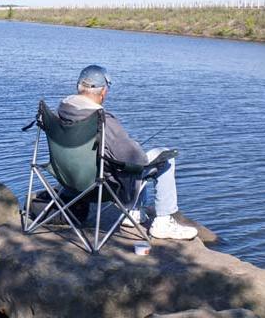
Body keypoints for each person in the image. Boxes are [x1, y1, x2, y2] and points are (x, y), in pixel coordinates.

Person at [57, 65, 198, 240]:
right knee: (165, 156)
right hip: (101, 185)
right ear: (103, 92)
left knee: (126, 156)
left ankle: (135, 213)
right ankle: (162, 222)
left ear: (79, 86)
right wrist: (136, 148)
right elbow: (137, 159)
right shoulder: (101, 119)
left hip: (69, 180)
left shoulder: (64, 108)